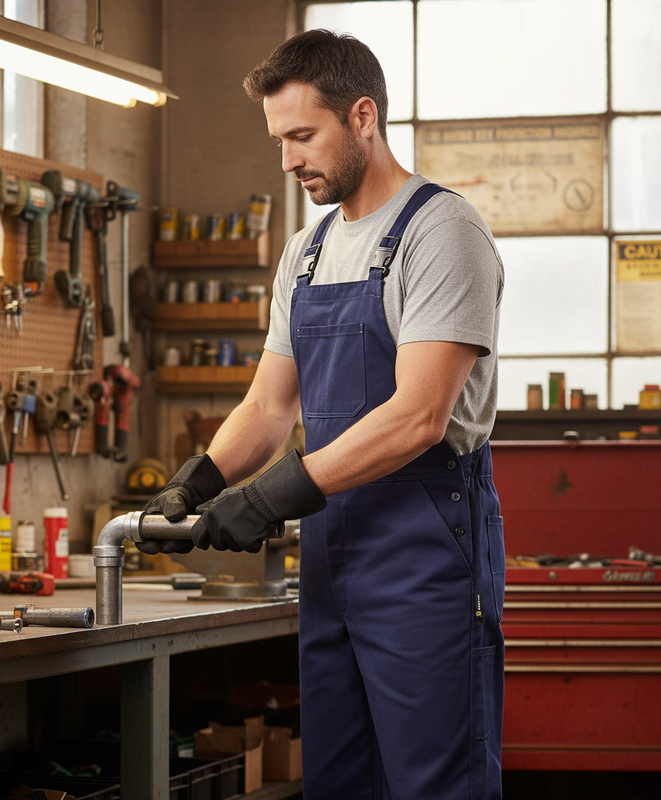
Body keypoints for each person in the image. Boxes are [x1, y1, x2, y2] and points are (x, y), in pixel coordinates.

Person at [141, 28, 505, 800]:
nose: (286, 159)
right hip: (333, 555)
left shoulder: (441, 232)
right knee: (337, 782)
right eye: (279, 139)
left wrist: (270, 495)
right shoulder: (305, 252)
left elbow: (419, 416)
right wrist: (199, 482)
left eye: (302, 135)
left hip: (425, 554)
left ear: (363, 116)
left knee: (434, 784)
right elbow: (269, 406)